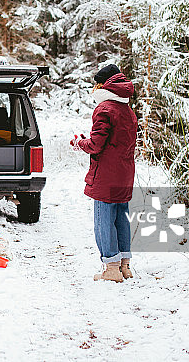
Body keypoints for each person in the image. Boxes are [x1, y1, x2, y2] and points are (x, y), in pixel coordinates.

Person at [71, 64, 137, 282]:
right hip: (125, 173)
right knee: (121, 218)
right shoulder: (128, 111)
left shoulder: (105, 109)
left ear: (103, 85)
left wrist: (80, 143)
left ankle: (110, 268)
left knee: (103, 220)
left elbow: (97, 144)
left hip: (106, 175)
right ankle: (124, 266)